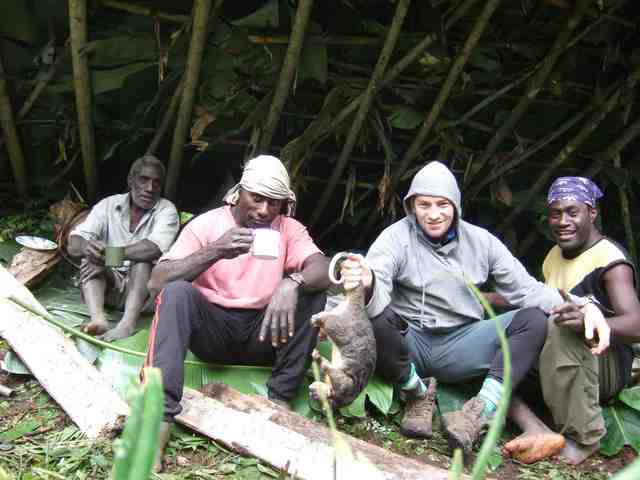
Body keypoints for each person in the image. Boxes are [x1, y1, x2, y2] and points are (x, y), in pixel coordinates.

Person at [339, 161, 607, 456]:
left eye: (442, 204)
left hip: (461, 343)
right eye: (423, 204)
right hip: (408, 342)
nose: (433, 214)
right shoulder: (396, 237)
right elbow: (379, 283)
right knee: (375, 312)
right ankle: (416, 393)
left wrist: (586, 305)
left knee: (532, 319)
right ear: (411, 206)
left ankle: (477, 412)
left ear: (455, 205)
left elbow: (527, 291)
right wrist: (367, 281)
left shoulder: (482, 242)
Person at [145, 155, 330, 472]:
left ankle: (280, 399)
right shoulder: (207, 225)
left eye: (274, 203)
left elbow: (324, 269)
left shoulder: (287, 228)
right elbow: (156, 281)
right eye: (257, 198)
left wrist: (292, 283)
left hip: (265, 332)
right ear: (239, 192)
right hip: (213, 332)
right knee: (176, 293)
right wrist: (216, 249)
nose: (264, 211)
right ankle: (157, 423)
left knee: (313, 293)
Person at [504, 176, 640, 465]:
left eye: (572, 212)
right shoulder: (554, 254)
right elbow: (538, 299)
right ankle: (535, 426)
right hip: (560, 363)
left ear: (592, 213)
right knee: (508, 335)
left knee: (561, 325)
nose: (563, 221)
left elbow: (636, 324)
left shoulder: (609, 259)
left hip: (603, 364)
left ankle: (584, 437)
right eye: (556, 213)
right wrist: (485, 298)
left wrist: (586, 322)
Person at [67, 155, 179, 342]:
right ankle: (98, 319)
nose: (150, 188)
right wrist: (89, 248)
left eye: (156, 183)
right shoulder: (108, 205)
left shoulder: (166, 210)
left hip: (144, 292)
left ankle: (126, 325)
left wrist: (108, 256)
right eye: (144, 180)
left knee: (142, 262)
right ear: (131, 181)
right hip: (109, 285)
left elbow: (152, 249)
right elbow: (74, 243)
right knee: (90, 257)